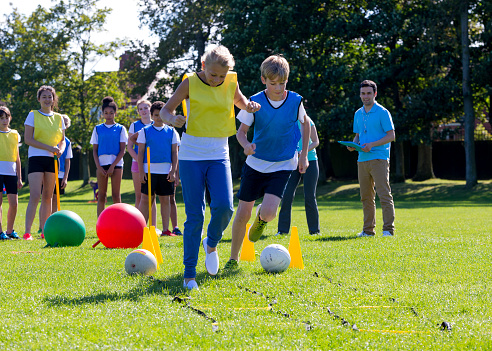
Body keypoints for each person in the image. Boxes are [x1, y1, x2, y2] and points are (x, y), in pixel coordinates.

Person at [160, 45, 260, 290]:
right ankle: (189, 275)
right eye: (213, 74)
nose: (217, 80)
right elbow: (165, 110)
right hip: (191, 155)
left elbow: (239, 101)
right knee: (195, 216)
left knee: (225, 207)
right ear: (204, 67)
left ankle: (211, 242)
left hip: (219, 154)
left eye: (221, 76)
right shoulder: (190, 83)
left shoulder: (230, 82)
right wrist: (173, 119)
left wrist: (248, 106)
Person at [225, 54, 310, 270]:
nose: (278, 88)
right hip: (256, 164)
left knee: (271, 212)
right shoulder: (254, 102)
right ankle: (234, 258)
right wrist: (246, 145)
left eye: (282, 83)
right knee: (243, 213)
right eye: (273, 83)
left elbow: (306, 125)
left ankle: (261, 219)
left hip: (283, 164)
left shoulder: (296, 101)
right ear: (264, 80)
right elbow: (241, 132)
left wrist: (303, 155)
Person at [347, 80, 395, 237]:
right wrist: (353, 145)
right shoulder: (357, 114)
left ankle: (388, 229)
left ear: (375, 94)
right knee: (366, 197)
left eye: (368, 93)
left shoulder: (382, 112)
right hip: (362, 160)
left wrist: (372, 145)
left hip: (379, 159)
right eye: (363, 93)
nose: (365, 96)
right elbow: (358, 135)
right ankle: (368, 231)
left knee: (384, 194)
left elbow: (391, 135)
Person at [24, 86, 66, 240]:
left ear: (53, 99)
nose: (47, 99)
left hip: (53, 160)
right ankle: (27, 232)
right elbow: (28, 139)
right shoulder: (32, 115)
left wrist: (60, 149)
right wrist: (49, 147)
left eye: (50, 96)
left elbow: (62, 140)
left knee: (48, 196)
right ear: (39, 99)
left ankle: (44, 231)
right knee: (35, 195)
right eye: (44, 97)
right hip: (36, 158)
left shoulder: (59, 117)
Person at [137, 101, 179, 235]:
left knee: (165, 199)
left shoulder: (172, 131)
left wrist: (173, 171)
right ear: (152, 116)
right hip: (149, 170)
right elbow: (141, 152)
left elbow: (174, 152)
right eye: (155, 115)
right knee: (146, 199)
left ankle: (166, 229)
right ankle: (142, 229)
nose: (158, 118)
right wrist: (141, 171)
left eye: (161, 115)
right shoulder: (144, 131)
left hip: (165, 171)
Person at [277, 115, 320, 236]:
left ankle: (314, 231)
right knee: (287, 195)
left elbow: (316, 141)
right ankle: (282, 231)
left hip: (310, 161)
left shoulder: (308, 121)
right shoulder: (286, 121)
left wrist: (303, 152)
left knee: (309, 196)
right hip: (292, 162)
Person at [90, 96, 128, 217]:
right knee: (101, 195)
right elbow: (94, 151)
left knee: (116, 195)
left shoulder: (121, 128)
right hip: (101, 165)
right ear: (102, 114)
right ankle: (100, 223)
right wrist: (99, 167)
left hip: (116, 165)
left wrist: (112, 166)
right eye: (106, 113)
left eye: (111, 113)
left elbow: (123, 150)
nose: (109, 115)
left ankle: (120, 221)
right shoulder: (97, 129)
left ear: (115, 113)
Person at [127, 99, 159, 233]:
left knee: (152, 196)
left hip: (154, 166)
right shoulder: (134, 126)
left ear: (150, 109)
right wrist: (140, 161)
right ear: (138, 111)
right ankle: (138, 227)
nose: (144, 111)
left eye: (146, 108)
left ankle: (153, 227)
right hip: (137, 166)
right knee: (140, 195)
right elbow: (129, 147)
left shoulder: (156, 124)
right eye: (141, 109)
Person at [0, 106, 23, 240]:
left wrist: (19, 177)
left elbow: (17, 157)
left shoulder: (15, 134)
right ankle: (0, 232)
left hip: (11, 172)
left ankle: (10, 231)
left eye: (6, 117)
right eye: (1, 118)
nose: (4, 120)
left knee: (14, 203)